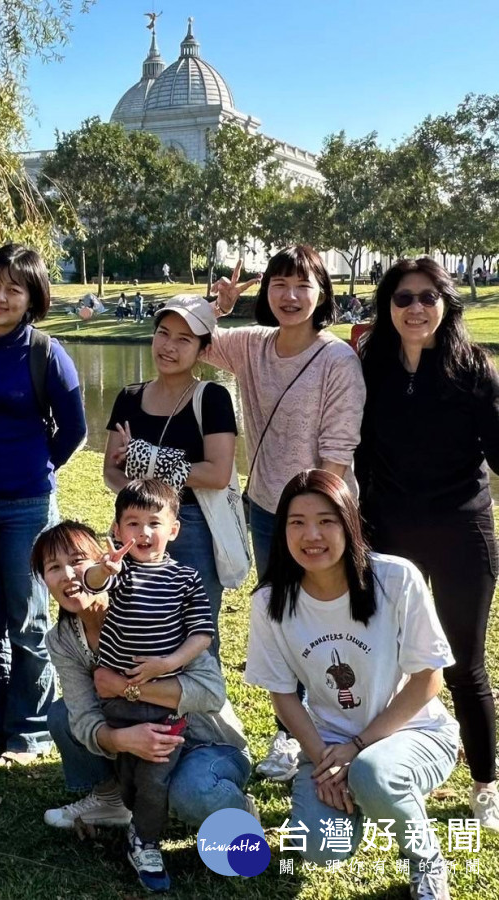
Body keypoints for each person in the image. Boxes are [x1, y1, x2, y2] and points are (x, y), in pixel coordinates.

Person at [245, 469, 458, 900]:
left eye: (326, 520)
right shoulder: (270, 602)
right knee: (320, 849)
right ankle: (359, 792)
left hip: (413, 733)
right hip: (329, 745)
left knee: (375, 773)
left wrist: (357, 749)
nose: (312, 535)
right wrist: (324, 759)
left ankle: (425, 858)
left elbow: (427, 679)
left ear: (349, 521)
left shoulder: (395, 579)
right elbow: (283, 695)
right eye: (297, 522)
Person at [207, 248, 366, 782]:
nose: (290, 295)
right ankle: (289, 732)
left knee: (327, 616)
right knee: (281, 614)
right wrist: (216, 310)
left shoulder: (337, 360)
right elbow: (187, 340)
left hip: (322, 511)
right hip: (266, 506)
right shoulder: (251, 346)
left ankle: (339, 725)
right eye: (279, 283)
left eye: (303, 284)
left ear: (322, 293)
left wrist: (320, 518)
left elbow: (338, 447)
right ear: (266, 292)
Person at [357, 257, 499, 830]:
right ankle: (392, 760)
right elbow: (358, 449)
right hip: (389, 532)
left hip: (462, 532)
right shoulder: (372, 366)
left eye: (427, 297)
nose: (415, 308)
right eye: (402, 298)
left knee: (464, 664)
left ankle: (487, 783)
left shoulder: (473, 369)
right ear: (388, 307)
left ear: (446, 303)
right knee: (389, 658)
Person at [34, 522, 253, 875]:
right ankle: (112, 800)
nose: (69, 576)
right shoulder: (63, 638)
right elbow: (84, 715)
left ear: (106, 564)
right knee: (63, 715)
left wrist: (125, 688)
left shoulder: (155, 603)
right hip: (132, 733)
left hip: (202, 740)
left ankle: (238, 808)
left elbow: (212, 693)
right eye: (53, 568)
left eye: (78, 561)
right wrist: (122, 740)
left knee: (190, 795)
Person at [0, 243, 86, 764]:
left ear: (32, 298)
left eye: (14, 288)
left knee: (28, 617)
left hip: (27, 503)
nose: (0, 297)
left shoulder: (45, 352)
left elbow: (75, 428)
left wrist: (39, 467)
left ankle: (31, 729)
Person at [78, 480, 214, 891]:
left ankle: (145, 839)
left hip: (164, 705)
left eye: (154, 523)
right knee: (130, 773)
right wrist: (105, 568)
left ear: (173, 529)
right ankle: (133, 814)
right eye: (132, 523)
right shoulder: (117, 574)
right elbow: (90, 584)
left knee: (155, 776)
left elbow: (202, 634)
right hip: (116, 706)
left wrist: (167, 663)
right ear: (118, 530)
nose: (143, 532)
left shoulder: (186, 579)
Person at [104, 296, 237, 654]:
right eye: (163, 333)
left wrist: (145, 459)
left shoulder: (212, 398)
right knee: (132, 621)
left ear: (202, 348)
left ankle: (200, 709)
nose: (169, 346)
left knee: (197, 632)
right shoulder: (129, 397)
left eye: (184, 339)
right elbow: (111, 470)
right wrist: (139, 507)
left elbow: (217, 473)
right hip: (134, 526)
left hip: (193, 523)